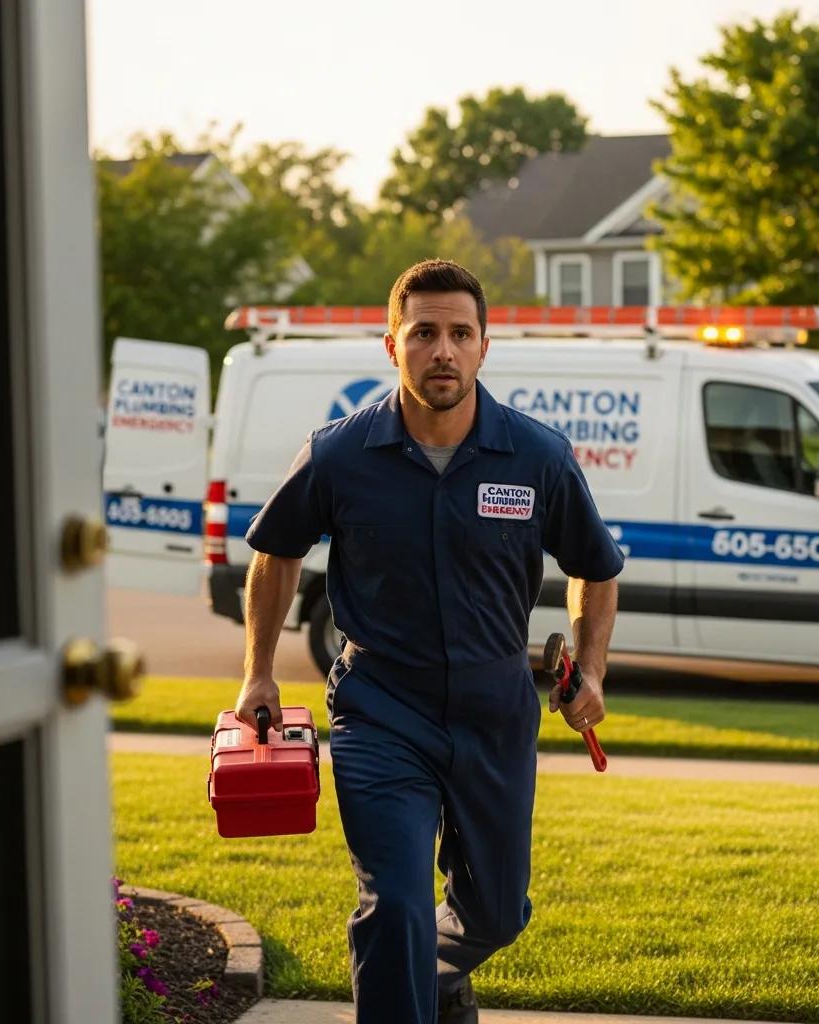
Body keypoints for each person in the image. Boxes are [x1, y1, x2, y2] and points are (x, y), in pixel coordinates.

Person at [235, 259, 622, 1024]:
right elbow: (275, 555)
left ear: (484, 347)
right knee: (397, 905)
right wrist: (258, 675)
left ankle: (435, 980)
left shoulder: (537, 457)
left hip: (494, 710)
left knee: (499, 913)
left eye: (458, 333)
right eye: (423, 333)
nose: (441, 350)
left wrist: (595, 670)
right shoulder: (339, 454)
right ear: (392, 346)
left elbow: (595, 569)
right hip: (381, 710)